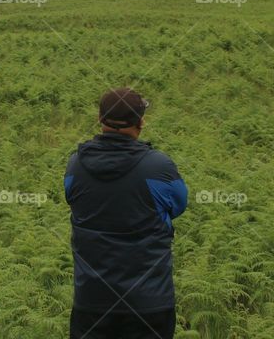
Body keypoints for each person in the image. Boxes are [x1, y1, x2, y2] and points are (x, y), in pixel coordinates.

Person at [63, 88, 188, 339]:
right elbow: (178, 205)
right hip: (150, 302)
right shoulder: (158, 166)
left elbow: (72, 198)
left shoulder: (76, 165)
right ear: (141, 122)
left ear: (100, 120)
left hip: (92, 300)